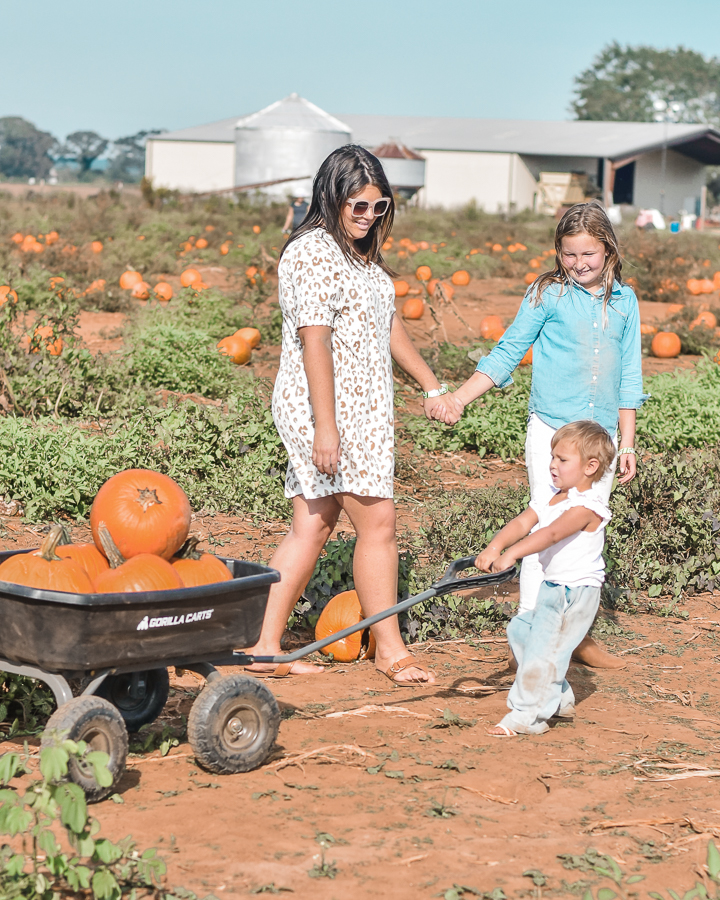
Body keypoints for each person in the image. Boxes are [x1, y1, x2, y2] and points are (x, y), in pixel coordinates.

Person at [247, 145, 451, 682]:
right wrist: (326, 427)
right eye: (357, 206)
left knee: (312, 525)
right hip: (327, 407)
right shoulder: (311, 252)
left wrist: (431, 384)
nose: (367, 217)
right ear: (331, 197)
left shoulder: (361, 256)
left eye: (378, 207)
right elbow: (315, 340)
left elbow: (387, 325)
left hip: (362, 407)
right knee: (378, 522)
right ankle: (390, 648)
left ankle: (264, 645)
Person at [438, 200, 648, 669]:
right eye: (569, 255)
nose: (578, 265)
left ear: (609, 251)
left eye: (588, 255)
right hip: (554, 432)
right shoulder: (546, 294)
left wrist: (627, 440)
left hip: (601, 440)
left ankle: (576, 634)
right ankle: (530, 637)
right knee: (543, 529)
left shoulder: (625, 301)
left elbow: (630, 374)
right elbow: (509, 350)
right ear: (558, 252)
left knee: (588, 535)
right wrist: (459, 398)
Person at [476, 420, 616, 736]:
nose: (553, 465)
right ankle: (560, 697)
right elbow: (523, 521)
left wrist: (512, 554)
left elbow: (551, 534)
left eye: (562, 460)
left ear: (590, 466)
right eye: (552, 457)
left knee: (543, 651)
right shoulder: (552, 497)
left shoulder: (587, 507)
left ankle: (526, 717)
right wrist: (495, 545)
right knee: (522, 630)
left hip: (575, 593)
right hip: (554, 588)